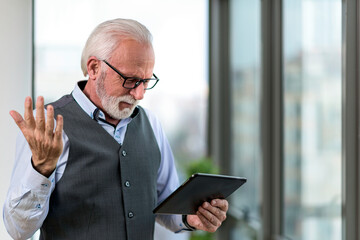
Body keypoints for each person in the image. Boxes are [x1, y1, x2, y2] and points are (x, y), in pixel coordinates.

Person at [3, 18, 228, 240]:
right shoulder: (47, 128)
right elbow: (18, 230)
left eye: (146, 82)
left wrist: (191, 218)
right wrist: (40, 169)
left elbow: (163, 202)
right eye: (130, 80)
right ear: (94, 68)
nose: (139, 95)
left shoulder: (152, 125)